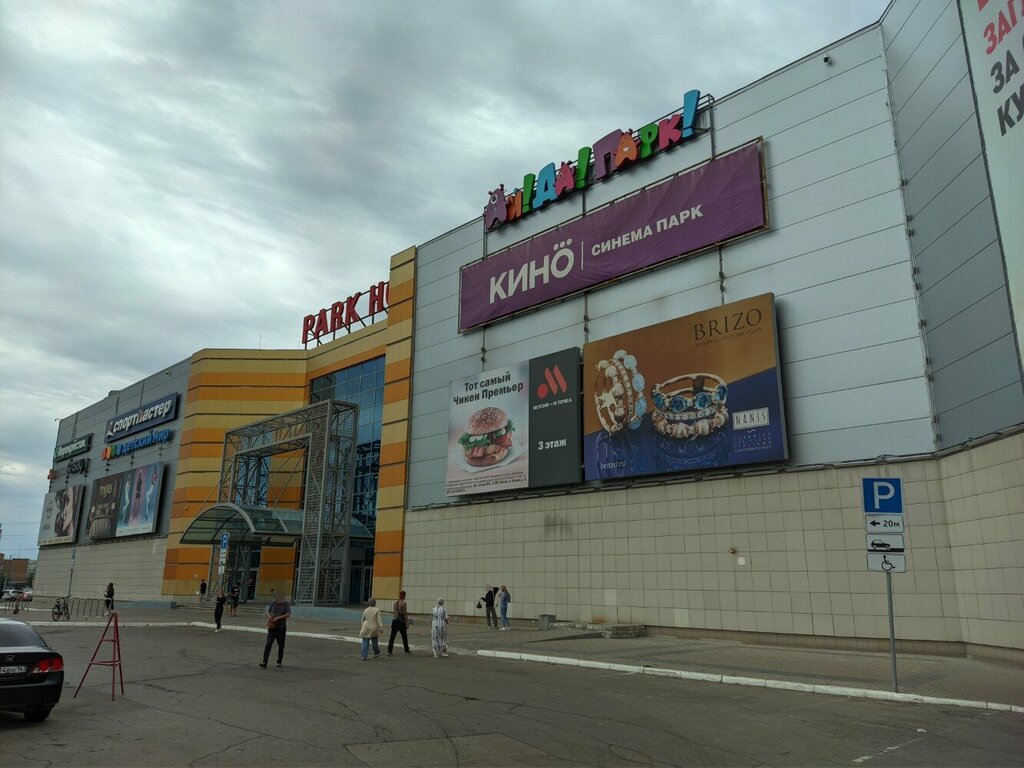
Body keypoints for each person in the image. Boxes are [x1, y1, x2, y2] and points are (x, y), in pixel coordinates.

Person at [260, 592, 291, 668]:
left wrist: (278, 618)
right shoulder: (273, 603)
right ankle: (264, 661)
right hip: (272, 628)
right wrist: (268, 615)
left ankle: (279, 661)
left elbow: (288, 614)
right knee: (268, 644)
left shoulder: (286, 604)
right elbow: (267, 611)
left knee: (281, 645)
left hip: (281, 628)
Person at [387, 591, 411, 656]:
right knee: (404, 636)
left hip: (394, 621)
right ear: (404, 596)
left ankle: (389, 651)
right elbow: (404, 613)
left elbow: (394, 612)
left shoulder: (395, 603)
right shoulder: (404, 603)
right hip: (401, 622)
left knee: (392, 636)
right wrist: (407, 622)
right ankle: (406, 650)